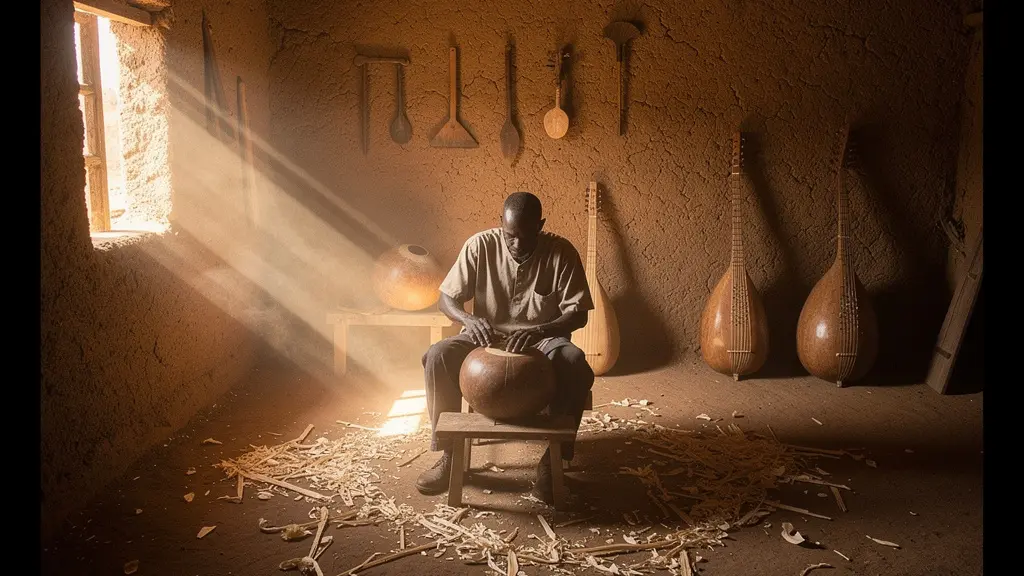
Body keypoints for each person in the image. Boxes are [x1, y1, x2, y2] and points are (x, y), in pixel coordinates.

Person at [417, 191, 596, 503]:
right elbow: (446, 299)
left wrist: (541, 329)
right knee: (438, 355)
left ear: (540, 226)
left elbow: (578, 314)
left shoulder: (561, 252)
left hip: (541, 339)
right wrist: (467, 319)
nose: (517, 243)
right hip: (485, 336)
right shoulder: (479, 245)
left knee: (574, 362)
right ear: (501, 223)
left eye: (526, 236)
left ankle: (552, 463)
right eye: (510, 235)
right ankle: (449, 454)